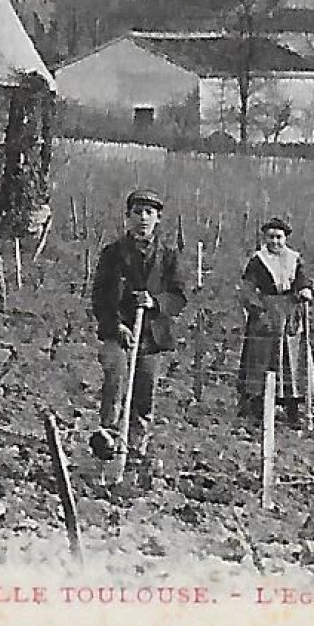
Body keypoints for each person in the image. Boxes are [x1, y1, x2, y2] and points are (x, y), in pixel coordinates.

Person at [87, 188, 188, 469]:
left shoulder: (168, 257)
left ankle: (135, 446)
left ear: (158, 219)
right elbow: (99, 295)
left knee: (144, 389)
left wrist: (154, 301)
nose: (143, 218)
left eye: (149, 213)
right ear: (128, 217)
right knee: (116, 374)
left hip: (151, 336)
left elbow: (179, 297)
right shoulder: (113, 253)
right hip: (118, 331)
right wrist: (116, 324)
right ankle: (108, 433)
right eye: (137, 212)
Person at [236, 218, 314, 429]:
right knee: (261, 359)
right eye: (271, 237)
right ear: (265, 238)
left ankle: (292, 407)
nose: (275, 242)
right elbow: (247, 288)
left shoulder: (294, 258)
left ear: (285, 238)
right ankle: (256, 406)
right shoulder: (258, 260)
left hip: (289, 311)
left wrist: (305, 289)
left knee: (290, 359)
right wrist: (258, 310)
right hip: (266, 312)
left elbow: (303, 279)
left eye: (279, 237)